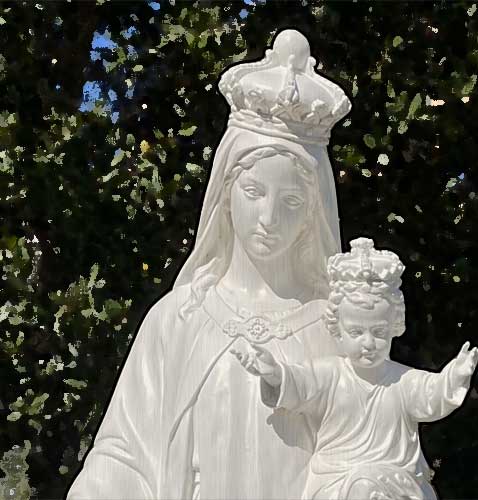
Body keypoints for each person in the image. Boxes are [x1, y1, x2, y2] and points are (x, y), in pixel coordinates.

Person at [67, 29, 351, 499]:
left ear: (313, 213)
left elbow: (370, 452)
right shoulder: (178, 321)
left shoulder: (338, 330)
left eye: (292, 201)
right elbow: (125, 454)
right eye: (254, 192)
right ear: (225, 192)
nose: (268, 218)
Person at [232, 238, 478, 500]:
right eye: (356, 332)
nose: (368, 343)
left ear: (394, 329)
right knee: (363, 486)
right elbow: (298, 381)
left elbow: (433, 394)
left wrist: (455, 375)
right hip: (336, 483)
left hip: (397, 483)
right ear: (338, 331)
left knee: (370, 486)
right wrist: (274, 372)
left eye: (379, 332)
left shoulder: (403, 381)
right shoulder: (331, 375)